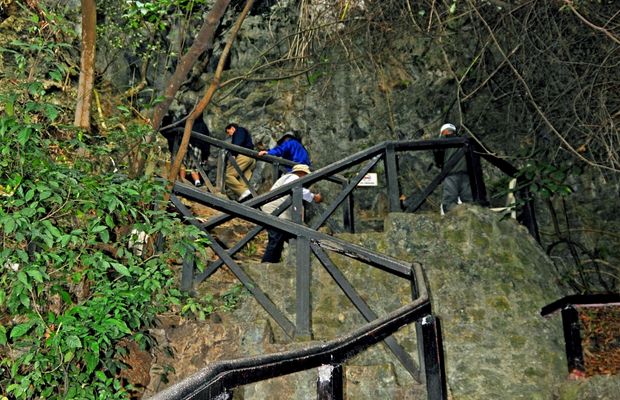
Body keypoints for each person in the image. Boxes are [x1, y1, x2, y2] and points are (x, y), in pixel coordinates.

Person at [261, 164, 322, 263]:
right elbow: (296, 189)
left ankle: (272, 263)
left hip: (276, 212)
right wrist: (314, 197)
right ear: (302, 173)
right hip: (276, 211)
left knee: (278, 239)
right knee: (276, 239)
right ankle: (267, 264)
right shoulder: (293, 177)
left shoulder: (285, 178)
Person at [161, 116, 210, 187]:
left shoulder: (187, 121)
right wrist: (205, 155)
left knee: (182, 164)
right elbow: (206, 143)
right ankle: (197, 181)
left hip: (185, 145)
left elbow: (177, 131)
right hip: (198, 148)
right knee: (194, 167)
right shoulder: (203, 126)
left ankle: (182, 180)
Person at [434, 123, 473, 213]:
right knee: (469, 201)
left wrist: (440, 165)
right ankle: (470, 218)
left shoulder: (441, 140)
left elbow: (438, 157)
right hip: (466, 174)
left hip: (451, 174)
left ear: (443, 132)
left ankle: (455, 219)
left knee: (449, 203)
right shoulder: (464, 140)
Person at [225, 123, 256, 200]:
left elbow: (237, 143)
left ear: (232, 128)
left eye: (228, 132)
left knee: (228, 176)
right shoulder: (244, 133)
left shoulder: (239, 131)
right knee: (242, 181)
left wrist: (233, 154)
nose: (230, 135)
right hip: (251, 158)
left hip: (243, 156)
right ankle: (247, 199)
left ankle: (243, 193)